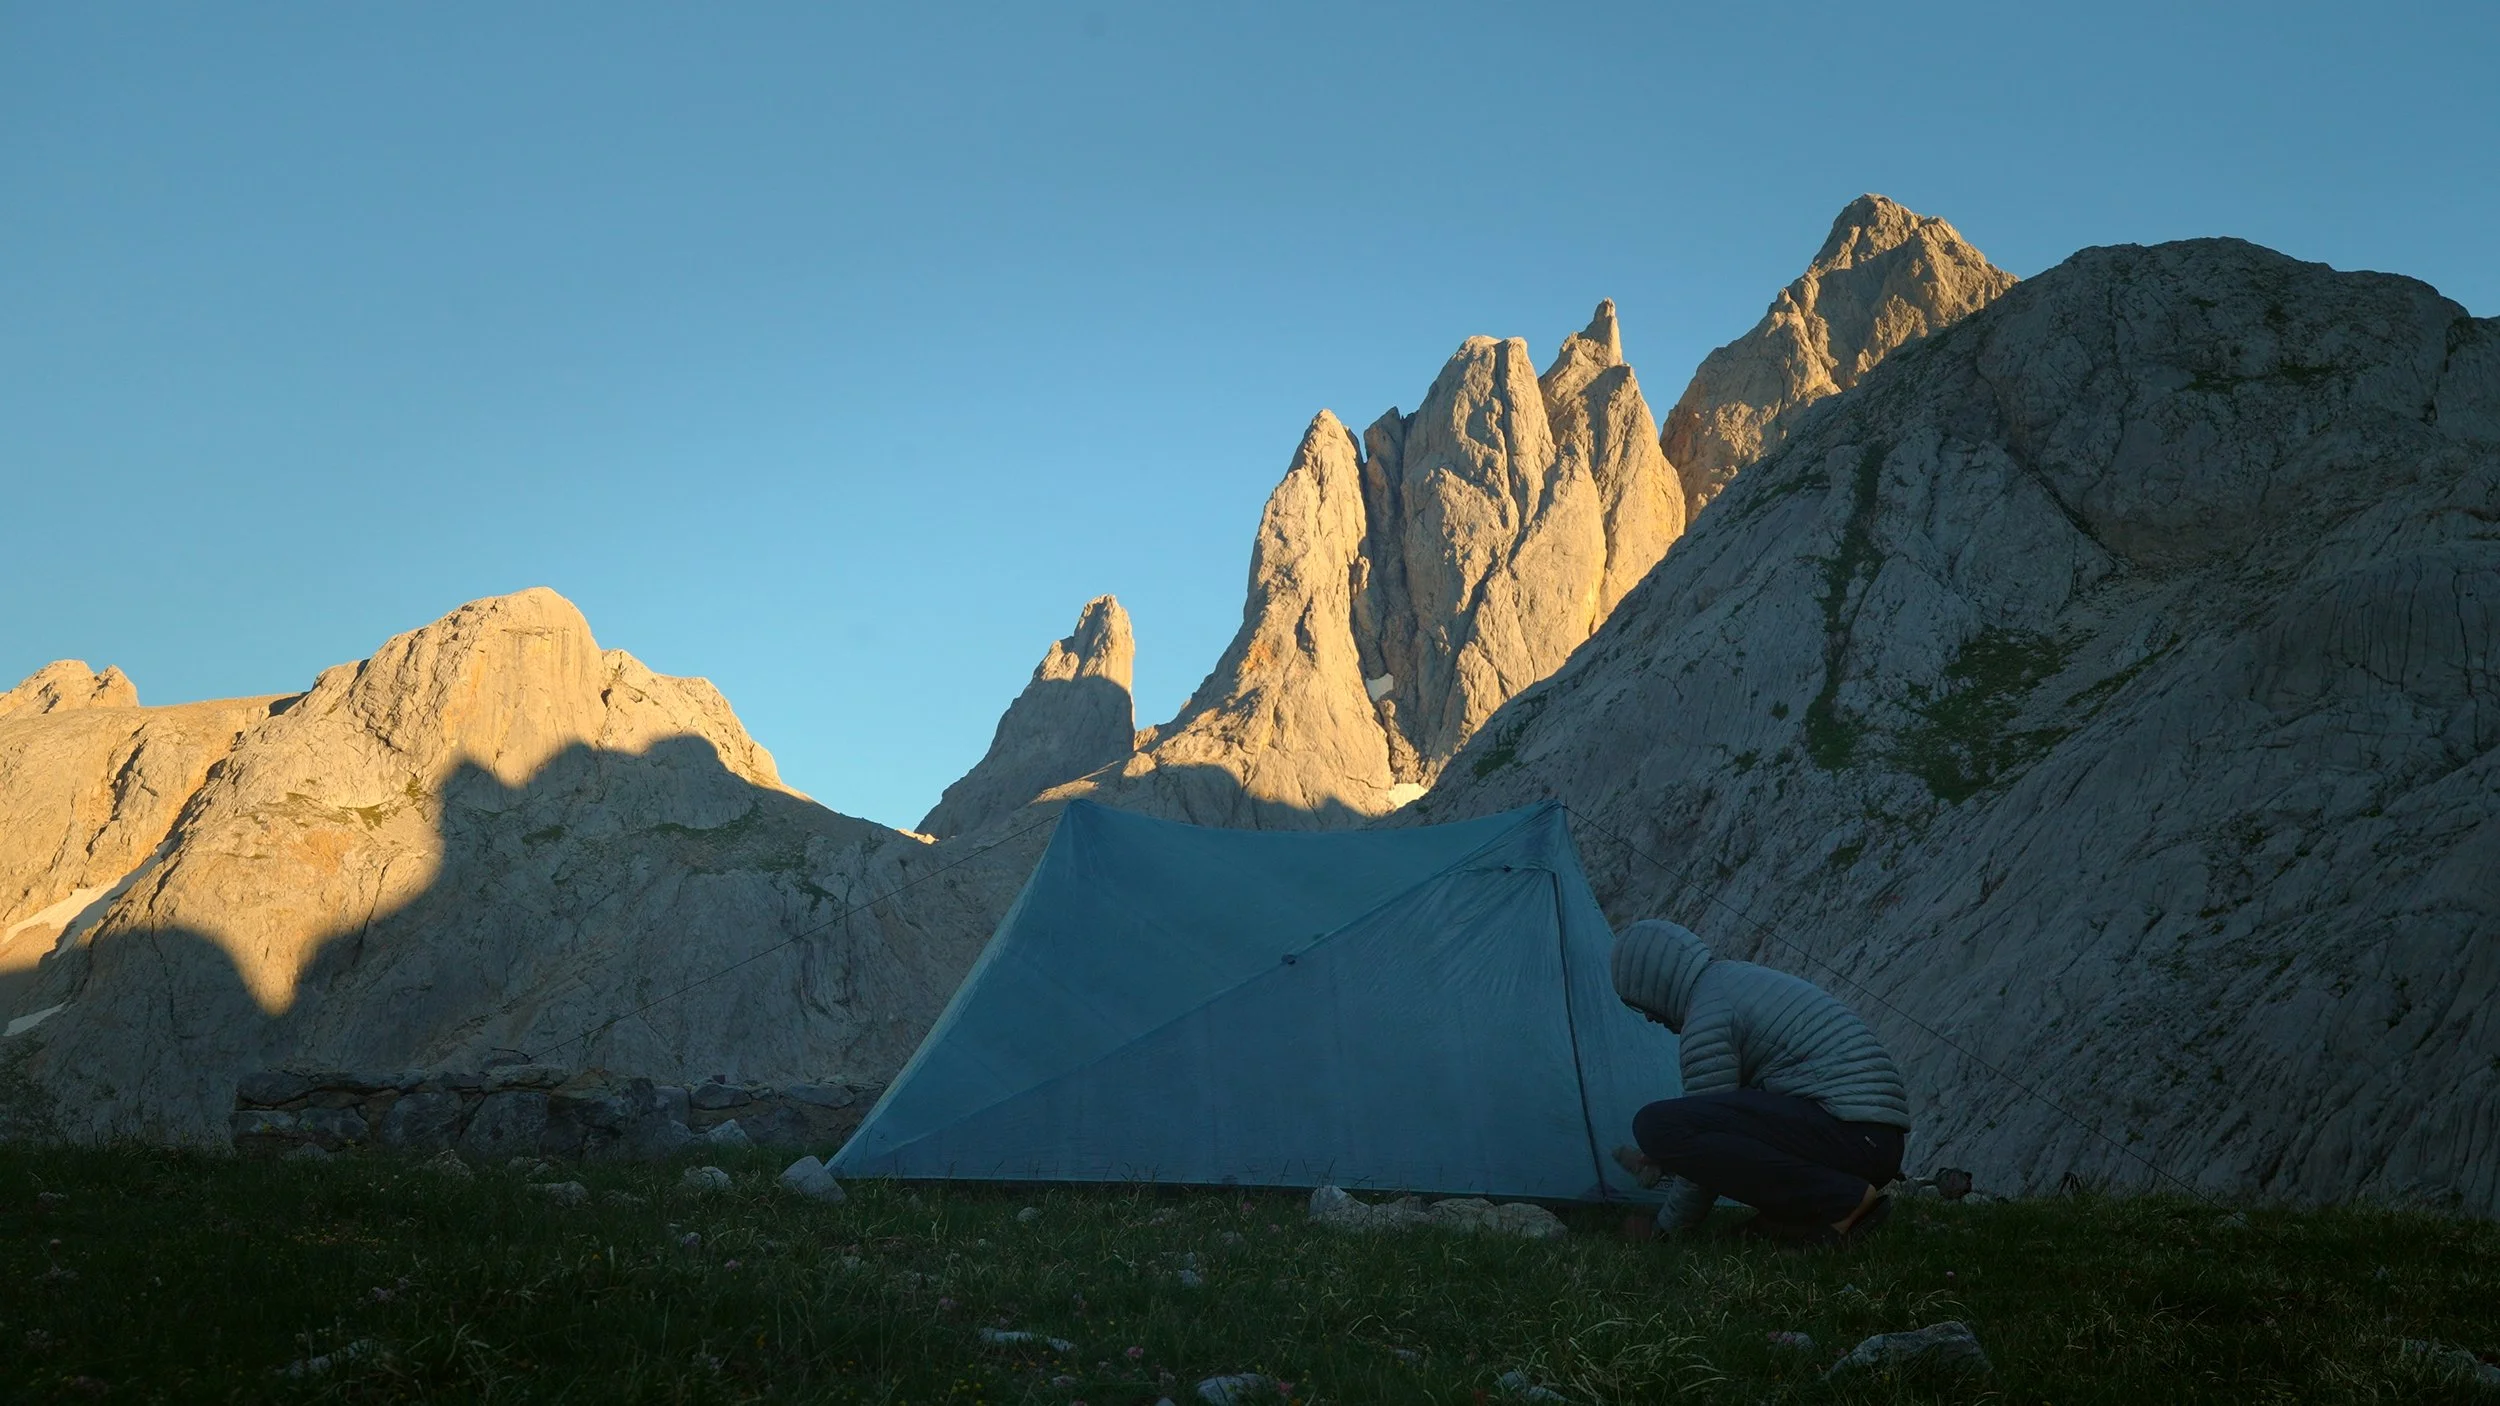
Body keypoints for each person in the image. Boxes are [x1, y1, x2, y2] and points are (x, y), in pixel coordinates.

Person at [1609, 919, 1910, 1245]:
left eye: (1642, 1006)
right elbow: (1745, 1127)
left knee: (1656, 1125)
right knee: (1692, 1133)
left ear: (1654, 983)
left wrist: (1665, 1231)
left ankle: (1843, 1200)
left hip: (1852, 1134)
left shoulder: (1708, 1018)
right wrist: (1665, 1162)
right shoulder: (1733, 982)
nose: (1651, 1018)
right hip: (1873, 1141)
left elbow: (1709, 1148)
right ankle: (1796, 1219)